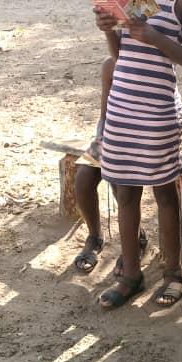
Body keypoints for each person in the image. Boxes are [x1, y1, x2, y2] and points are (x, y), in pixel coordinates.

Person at [93, 0, 182, 309]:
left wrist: (157, 38)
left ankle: (173, 272)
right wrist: (108, 29)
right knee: (125, 191)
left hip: (157, 112)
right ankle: (131, 275)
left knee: (164, 193)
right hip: (122, 108)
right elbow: (120, 55)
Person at [72, 56, 147, 275]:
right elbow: (104, 114)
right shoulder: (111, 65)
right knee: (83, 179)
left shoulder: (149, 64)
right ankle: (95, 236)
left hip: (141, 140)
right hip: (111, 136)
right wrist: (103, 140)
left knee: (120, 185)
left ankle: (136, 241)